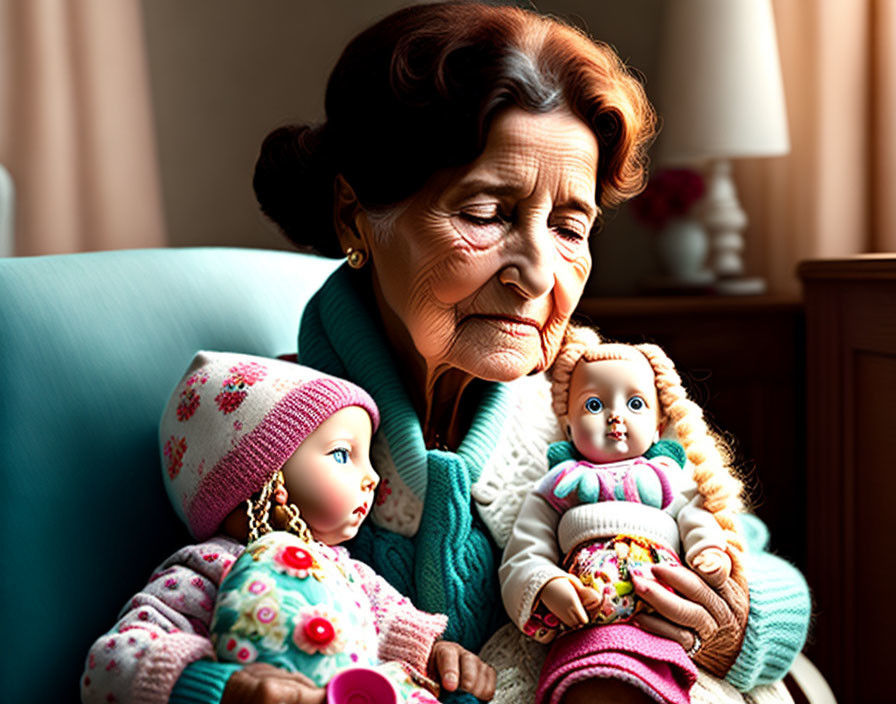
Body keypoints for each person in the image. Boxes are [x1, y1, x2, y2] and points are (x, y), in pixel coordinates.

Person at [81, 3, 810, 703]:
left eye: (569, 225)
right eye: (486, 213)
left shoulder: (591, 403)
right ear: (354, 217)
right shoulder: (279, 438)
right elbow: (169, 627)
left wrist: (739, 627)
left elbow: (755, 559)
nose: (539, 274)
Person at [80, 350, 494, 704]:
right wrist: (228, 690)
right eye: (341, 454)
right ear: (263, 476)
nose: (372, 477)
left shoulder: (347, 573)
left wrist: (440, 653)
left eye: (368, 457)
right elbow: (109, 665)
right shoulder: (207, 569)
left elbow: (393, 628)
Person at [500, 326, 746, 703]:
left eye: (635, 404)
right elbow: (525, 550)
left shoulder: (667, 479)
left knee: (651, 687)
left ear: (659, 426)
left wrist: (707, 551)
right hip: (587, 623)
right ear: (568, 425)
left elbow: (697, 517)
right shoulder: (559, 487)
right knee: (586, 687)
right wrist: (545, 584)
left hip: (658, 622)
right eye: (594, 405)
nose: (615, 417)